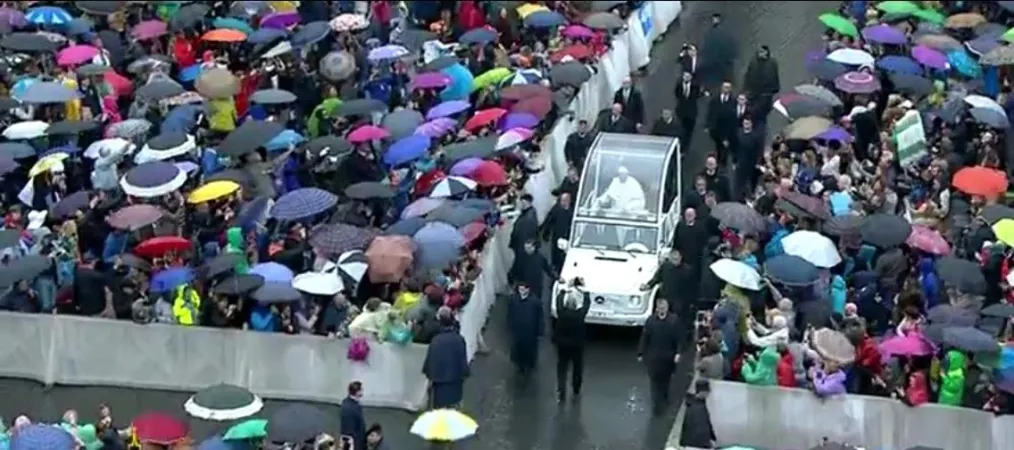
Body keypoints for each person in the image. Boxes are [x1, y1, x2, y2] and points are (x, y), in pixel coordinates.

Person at [637, 299, 682, 415]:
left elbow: (679, 338)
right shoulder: (651, 321)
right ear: (657, 308)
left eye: (664, 308)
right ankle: (657, 403)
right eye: (660, 308)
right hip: (654, 356)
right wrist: (640, 352)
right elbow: (645, 337)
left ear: (667, 308)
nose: (662, 310)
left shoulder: (674, 321)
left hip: (668, 356)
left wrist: (678, 353)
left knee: (666, 380)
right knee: (655, 381)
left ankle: (664, 397)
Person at [423, 307, 470, 409]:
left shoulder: (436, 340)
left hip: (439, 380)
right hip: (455, 379)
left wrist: (429, 374)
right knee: (454, 404)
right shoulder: (459, 339)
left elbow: (430, 360)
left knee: (440, 407)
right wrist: (465, 373)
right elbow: (462, 359)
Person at [553, 277, 590, 402]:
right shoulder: (579, 315)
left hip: (562, 345)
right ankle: (576, 387)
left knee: (562, 367)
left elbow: (558, 301)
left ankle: (561, 390)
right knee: (577, 367)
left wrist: (565, 290)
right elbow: (586, 304)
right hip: (577, 345)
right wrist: (585, 291)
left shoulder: (561, 313)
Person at [507, 281, 544, 377]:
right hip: (519, 329)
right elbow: (510, 314)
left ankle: (530, 365)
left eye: (524, 289)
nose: (522, 291)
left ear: (528, 289)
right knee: (519, 348)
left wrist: (540, 330)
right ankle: (521, 366)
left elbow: (539, 317)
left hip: (530, 330)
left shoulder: (535, 301)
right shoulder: (514, 299)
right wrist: (510, 325)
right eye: (520, 289)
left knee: (530, 349)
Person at [742, 45, 780, 121]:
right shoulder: (753, 61)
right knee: (753, 112)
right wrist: (746, 89)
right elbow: (748, 75)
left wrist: (774, 89)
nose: (761, 54)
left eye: (763, 52)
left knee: (763, 113)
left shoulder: (772, 62)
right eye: (760, 52)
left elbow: (775, 77)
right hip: (753, 92)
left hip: (766, 93)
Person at [540, 192, 574, 273]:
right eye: (561, 200)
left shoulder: (572, 212)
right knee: (555, 252)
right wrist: (546, 233)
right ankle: (555, 267)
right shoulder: (557, 209)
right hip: (557, 235)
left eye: (564, 200)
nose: (562, 202)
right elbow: (549, 220)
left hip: (567, 236)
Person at [679, 379, 717, 449]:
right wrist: (708, 443)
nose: (709, 393)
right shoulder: (698, 408)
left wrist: (712, 437)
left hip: (690, 443)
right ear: (702, 392)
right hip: (697, 445)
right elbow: (702, 428)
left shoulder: (694, 403)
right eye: (707, 391)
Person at [705, 81, 737, 163]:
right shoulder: (715, 99)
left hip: (726, 130)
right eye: (725, 87)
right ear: (721, 88)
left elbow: (733, 119)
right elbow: (710, 112)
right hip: (716, 129)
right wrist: (708, 125)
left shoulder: (733, 101)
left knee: (724, 149)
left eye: (728, 87)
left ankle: (722, 163)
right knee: (718, 146)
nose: (726, 89)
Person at [675, 71, 702, 147]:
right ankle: (681, 144)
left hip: (691, 112)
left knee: (689, 131)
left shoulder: (695, 86)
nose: (686, 77)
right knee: (681, 129)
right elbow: (677, 95)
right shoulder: (679, 85)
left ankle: (686, 145)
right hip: (681, 111)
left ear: (691, 77)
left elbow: (697, 96)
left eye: (688, 76)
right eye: (685, 76)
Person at [340, 381, 367, 450]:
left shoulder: (346, 402)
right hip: (355, 441)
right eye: (361, 390)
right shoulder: (352, 407)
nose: (363, 391)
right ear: (357, 392)